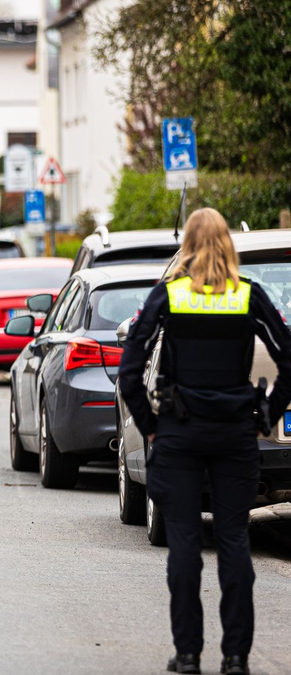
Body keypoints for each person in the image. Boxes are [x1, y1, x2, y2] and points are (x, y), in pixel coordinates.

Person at [118, 208, 291, 675]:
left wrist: (150, 423)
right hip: (235, 434)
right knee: (234, 539)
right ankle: (236, 658)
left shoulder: (169, 296)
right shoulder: (248, 296)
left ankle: (189, 655)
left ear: (188, 245)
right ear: (229, 245)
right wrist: (268, 416)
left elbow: (130, 367)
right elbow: (289, 360)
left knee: (186, 545)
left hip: (179, 433)